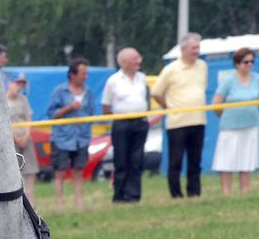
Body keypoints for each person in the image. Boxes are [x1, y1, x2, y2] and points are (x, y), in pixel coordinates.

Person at [151, 32, 208, 198]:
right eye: (193, 48)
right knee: (176, 161)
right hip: (177, 122)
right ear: (184, 49)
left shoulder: (202, 66)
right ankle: (176, 194)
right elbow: (156, 92)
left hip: (198, 120)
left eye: (198, 48)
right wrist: (169, 107)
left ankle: (194, 192)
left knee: (195, 160)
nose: (196, 51)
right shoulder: (171, 69)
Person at [101, 47, 151, 203]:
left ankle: (134, 195)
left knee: (137, 159)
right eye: (135, 58)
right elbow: (106, 106)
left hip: (140, 122)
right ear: (124, 62)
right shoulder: (113, 81)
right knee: (121, 160)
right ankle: (120, 195)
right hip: (121, 123)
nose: (139, 61)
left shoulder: (142, 78)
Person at [46, 58, 96, 211]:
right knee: (60, 172)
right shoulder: (59, 91)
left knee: (78, 171)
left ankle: (79, 205)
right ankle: (59, 205)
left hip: (82, 138)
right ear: (72, 75)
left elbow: (91, 113)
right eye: (83, 73)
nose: (85, 76)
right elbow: (51, 114)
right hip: (62, 138)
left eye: (86, 73)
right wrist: (68, 108)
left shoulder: (89, 92)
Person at [210, 47, 259, 194]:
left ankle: (244, 191)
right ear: (237, 64)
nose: (249, 65)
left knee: (246, 160)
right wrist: (225, 116)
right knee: (227, 160)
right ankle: (226, 192)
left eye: (252, 61)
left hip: (251, 125)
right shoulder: (229, 80)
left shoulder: (257, 79)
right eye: (246, 62)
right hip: (230, 127)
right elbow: (216, 104)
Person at [6, 72, 39, 204]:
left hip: (25, 138)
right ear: (10, 84)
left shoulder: (23, 99)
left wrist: (26, 136)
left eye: (22, 84)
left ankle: (31, 202)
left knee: (30, 170)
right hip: (10, 140)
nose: (19, 87)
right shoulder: (2, 99)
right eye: (17, 83)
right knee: (13, 170)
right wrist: (14, 136)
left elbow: (28, 119)